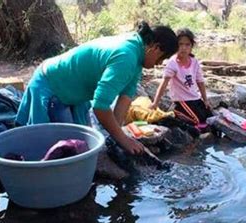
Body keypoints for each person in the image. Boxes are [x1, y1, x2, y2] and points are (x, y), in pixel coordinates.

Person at [15, 21, 178, 155]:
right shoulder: (126, 56)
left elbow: (126, 97)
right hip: (52, 86)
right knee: (64, 151)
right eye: (163, 59)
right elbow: (100, 106)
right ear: (155, 48)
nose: (160, 64)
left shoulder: (137, 55)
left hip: (73, 92)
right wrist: (122, 139)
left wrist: (118, 135)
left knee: (85, 145)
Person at [149, 28, 212, 130]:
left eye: (187, 45)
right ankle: (176, 112)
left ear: (191, 46)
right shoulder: (173, 63)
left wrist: (205, 100)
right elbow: (164, 84)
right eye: (180, 44)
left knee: (209, 117)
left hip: (195, 98)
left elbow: (200, 82)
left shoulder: (194, 62)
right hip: (182, 101)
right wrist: (155, 103)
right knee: (196, 120)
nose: (184, 48)